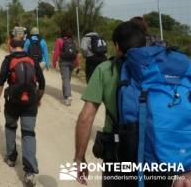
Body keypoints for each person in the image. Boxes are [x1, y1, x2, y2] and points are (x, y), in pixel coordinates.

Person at [74, 21, 190, 187]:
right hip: (159, 156)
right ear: (145, 43)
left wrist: (80, 158)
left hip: (119, 157)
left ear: (116, 46)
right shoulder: (162, 70)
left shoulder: (106, 69)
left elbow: (86, 118)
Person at [0, 38, 45, 187]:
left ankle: (11, 157)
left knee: (10, 126)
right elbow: (42, 83)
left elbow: (0, 82)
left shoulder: (8, 60)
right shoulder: (31, 60)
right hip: (30, 102)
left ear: (10, 47)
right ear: (23, 47)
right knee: (28, 133)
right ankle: (29, 172)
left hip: (13, 102)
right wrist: (38, 99)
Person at [52, 30, 80, 106]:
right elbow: (76, 54)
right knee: (67, 79)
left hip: (64, 62)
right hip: (72, 62)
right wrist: (78, 64)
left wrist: (54, 62)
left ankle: (68, 96)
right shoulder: (73, 41)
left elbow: (56, 52)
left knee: (65, 79)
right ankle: (65, 96)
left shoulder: (59, 40)